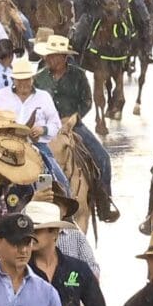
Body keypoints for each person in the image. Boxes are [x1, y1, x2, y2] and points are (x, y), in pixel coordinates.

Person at [35, 35, 117, 221]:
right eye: (49, 56)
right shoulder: (39, 79)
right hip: (46, 129)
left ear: (65, 57)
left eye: (56, 56)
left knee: (102, 158)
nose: (51, 59)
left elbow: (87, 101)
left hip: (74, 125)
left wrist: (73, 118)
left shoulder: (78, 75)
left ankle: (104, 203)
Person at [26, 199, 110, 306]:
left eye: (38, 230)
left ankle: (104, 203)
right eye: (29, 230)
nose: (32, 235)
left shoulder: (78, 268)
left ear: (54, 232)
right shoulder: (21, 271)